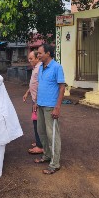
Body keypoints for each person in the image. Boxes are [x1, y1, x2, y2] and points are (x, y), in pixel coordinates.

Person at [33, 44, 65, 175]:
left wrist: (57, 107)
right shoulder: (41, 67)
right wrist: (36, 102)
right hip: (40, 105)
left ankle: (55, 163)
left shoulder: (57, 67)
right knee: (42, 132)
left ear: (48, 54)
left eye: (40, 53)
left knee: (52, 135)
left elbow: (62, 87)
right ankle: (47, 155)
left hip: (51, 106)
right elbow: (40, 85)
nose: (38, 55)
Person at [23, 50, 44, 155]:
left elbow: (41, 85)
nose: (29, 60)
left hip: (38, 101)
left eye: (31, 58)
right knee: (36, 122)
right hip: (35, 100)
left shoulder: (40, 68)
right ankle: (39, 141)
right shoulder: (36, 68)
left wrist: (37, 101)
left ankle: (40, 146)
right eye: (29, 58)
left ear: (37, 58)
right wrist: (27, 92)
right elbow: (33, 84)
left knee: (38, 123)